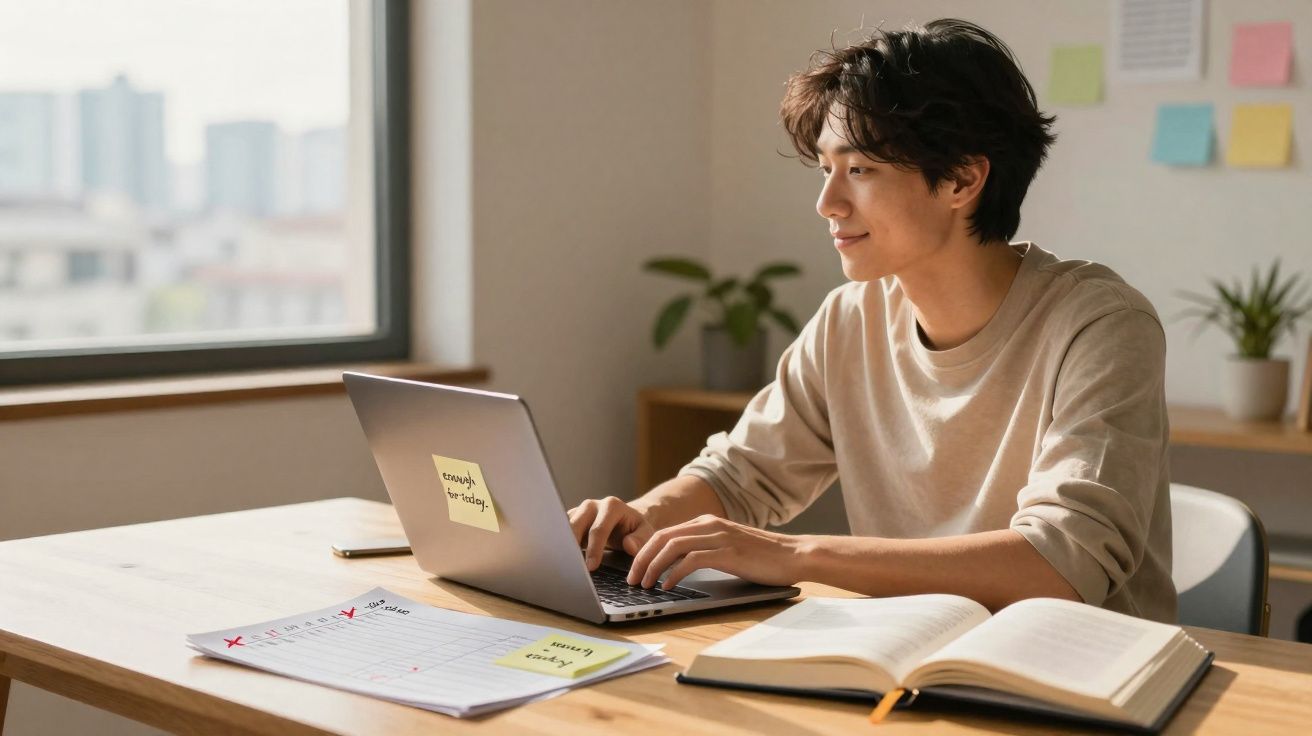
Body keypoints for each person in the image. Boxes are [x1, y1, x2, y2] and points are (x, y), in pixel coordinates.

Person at [569, 18, 1175, 622]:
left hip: (1079, 674)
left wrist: (798, 554)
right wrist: (639, 519)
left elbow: (1062, 565)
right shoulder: (850, 320)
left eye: (859, 170)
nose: (827, 203)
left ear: (963, 178)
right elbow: (739, 474)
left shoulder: (1100, 325)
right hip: (905, 653)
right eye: (825, 169)